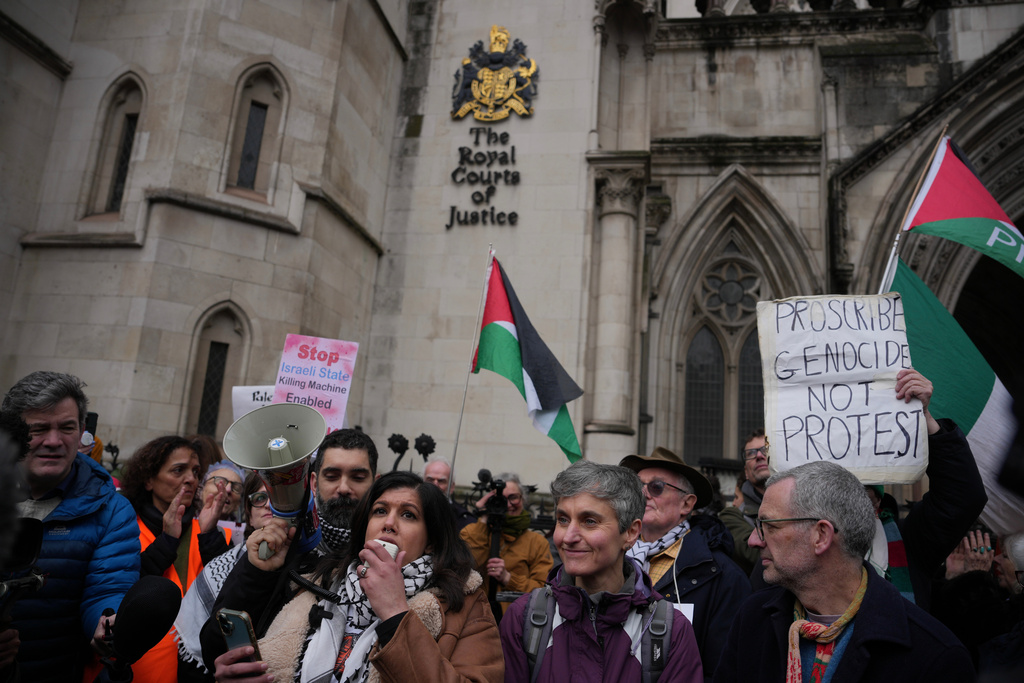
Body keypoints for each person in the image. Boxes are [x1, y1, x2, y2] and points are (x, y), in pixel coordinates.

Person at [207, 471, 504, 683]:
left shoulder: (465, 606)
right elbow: (219, 646)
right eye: (379, 511)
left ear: (430, 541)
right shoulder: (316, 583)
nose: (389, 523)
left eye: (408, 515)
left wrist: (396, 613)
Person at [714, 461, 974, 683]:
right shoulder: (752, 619)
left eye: (768, 525)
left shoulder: (933, 654)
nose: (753, 541)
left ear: (821, 535)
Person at [500, 460, 702, 683]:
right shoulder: (523, 618)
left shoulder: (672, 632)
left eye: (589, 521)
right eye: (563, 520)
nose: (568, 537)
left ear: (631, 532)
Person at [0, 371, 140, 683]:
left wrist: (107, 625)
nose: (54, 441)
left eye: (66, 428)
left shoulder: (112, 510)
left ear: (81, 434)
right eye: (38, 429)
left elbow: (108, 589)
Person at [620, 447, 751, 682]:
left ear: (687, 504)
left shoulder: (723, 577)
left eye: (656, 487)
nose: (644, 495)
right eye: (638, 487)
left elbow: (721, 670)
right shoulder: (612, 558)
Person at [119, 435, 233, 683]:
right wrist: (167, 541)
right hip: (135, 672)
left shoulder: (209, 530)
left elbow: (229, 596)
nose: (191, 479)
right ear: (149, 479)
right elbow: (122, 596)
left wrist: (210, 536)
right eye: (178, 470)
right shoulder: (123, 528)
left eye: (195, 471)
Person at [176, 473, 275, 682]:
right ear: (248, 513)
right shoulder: (221, 565)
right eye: (259, 498)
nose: (268, 505)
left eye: (277, 497)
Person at [460, 472, 552, 613]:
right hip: (475, 618)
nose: (508, 504)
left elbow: (545, 591)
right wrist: (484, 518)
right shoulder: (473, 531)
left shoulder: (537, 542)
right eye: (502, 499)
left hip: (517, 621)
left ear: (523, 500)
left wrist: (508, 578)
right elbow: (462, 568)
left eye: (513, 497)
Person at [310, 428, 381, 556]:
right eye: (332, 476)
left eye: (357, 478)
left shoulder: (391, 549)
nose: (343, 489)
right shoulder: (291, 545)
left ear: (375, 486)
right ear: (314, 484)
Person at [718, 428, 768, 575]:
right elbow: (756, 554)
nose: (759, 455)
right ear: (746, 472)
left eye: (765, 449)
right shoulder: (732, 516)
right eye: (751, 454)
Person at [199, 460, 246, 544]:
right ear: (201, 490)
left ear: (238, 503)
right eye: (220, 482)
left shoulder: (244, 539)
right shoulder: (181, 524)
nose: (228, 489)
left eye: (236, 487)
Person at [423, 457, 476, 530]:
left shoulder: (464, 521)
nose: (435, 485)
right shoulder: (413, 511)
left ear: (452, 487)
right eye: (430, 480)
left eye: (441, 481)